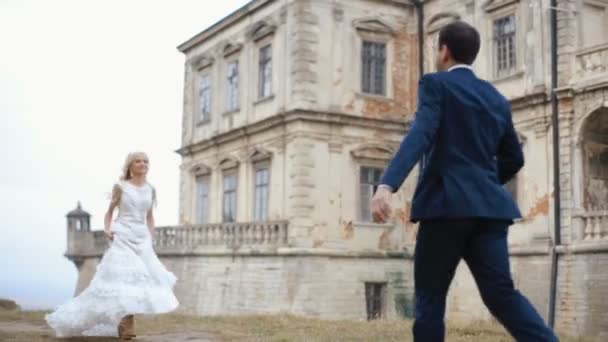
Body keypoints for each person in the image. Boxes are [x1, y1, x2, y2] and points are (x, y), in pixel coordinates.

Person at [371, 21, 558, 342]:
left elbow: (422, 132)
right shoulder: (496, 97)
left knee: (430, 299)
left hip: (445, 209)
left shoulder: (436, 84)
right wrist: (483, 184)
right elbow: (514, 158)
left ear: (443, 51)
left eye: (436, 48)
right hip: (490, 212)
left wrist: (387, 184)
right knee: (502, 295)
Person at [46, 152, 178, 340]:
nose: (143, 164)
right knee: (124, 279)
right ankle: (127, 324)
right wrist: (108, 229)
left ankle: (124, 321)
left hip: (142, 239)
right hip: (122, 236)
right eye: (138, 161)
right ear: (130, 166)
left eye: (145, 161)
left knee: (142, 281)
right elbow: (109, 213)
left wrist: (151, 236)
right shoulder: (121, 187)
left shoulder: (151, 189)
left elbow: (149, 217)